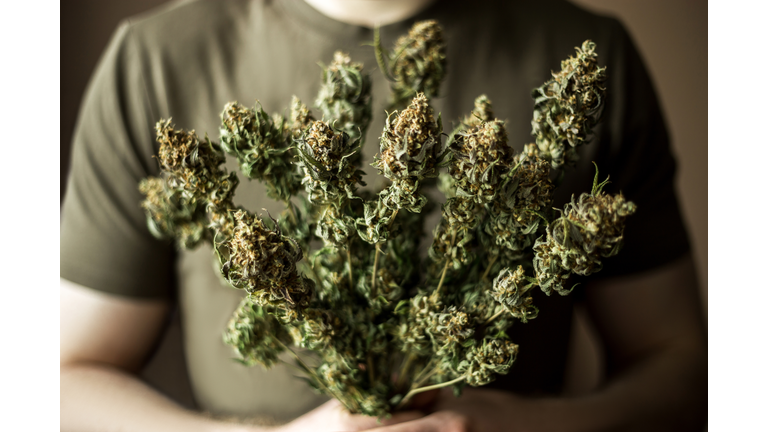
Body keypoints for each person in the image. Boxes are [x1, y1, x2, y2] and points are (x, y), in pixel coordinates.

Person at [60, 0, 707, 430]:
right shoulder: (155, 61)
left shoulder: (585, 51)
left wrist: (518, 426)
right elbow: (61, 381)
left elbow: (679, 367)